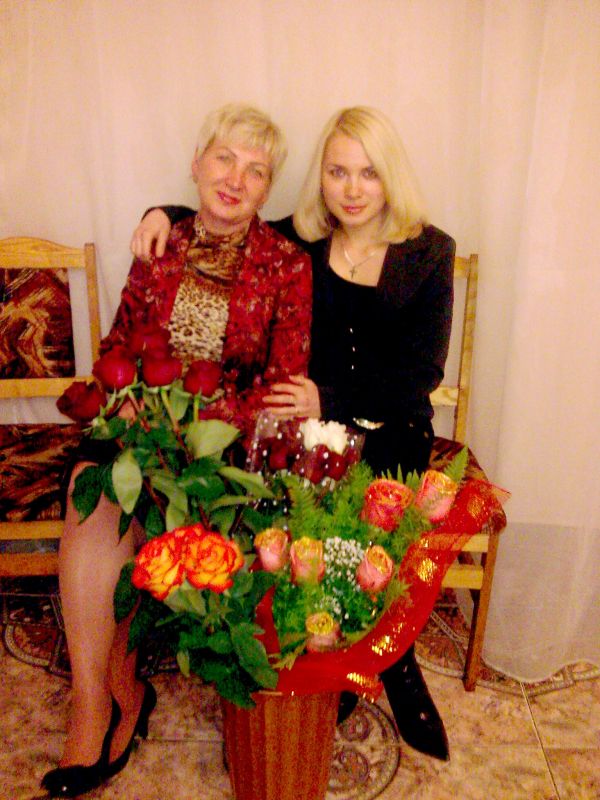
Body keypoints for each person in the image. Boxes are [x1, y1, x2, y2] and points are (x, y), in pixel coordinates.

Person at [132, 106, 455, 761]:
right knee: (300, 528)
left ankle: (397, 662)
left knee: (373, 531)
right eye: (338, 172)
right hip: (312, 433)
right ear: (321, 177)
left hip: (392, 429)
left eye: (368, 172)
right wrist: (160, 212)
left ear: (390, 176)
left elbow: (421, 373)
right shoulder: (300, 239)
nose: (352, 188)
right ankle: (332, 655)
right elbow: (226, 214)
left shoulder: (429, 251)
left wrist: (329, 397)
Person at [42, 103, 311, 798]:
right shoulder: (160, 244)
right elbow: (118, 345)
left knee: (151, 497)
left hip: (227, 446)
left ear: (268, 188)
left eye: (256, 170)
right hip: (143, 428)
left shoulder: (288, 266)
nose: (235, 179)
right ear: (196, 165)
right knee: (95, 494)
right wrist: (129, 398)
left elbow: (283, 386)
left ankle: (125, 687)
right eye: (224, 158)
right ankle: (97, 701)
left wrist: (199, 420)